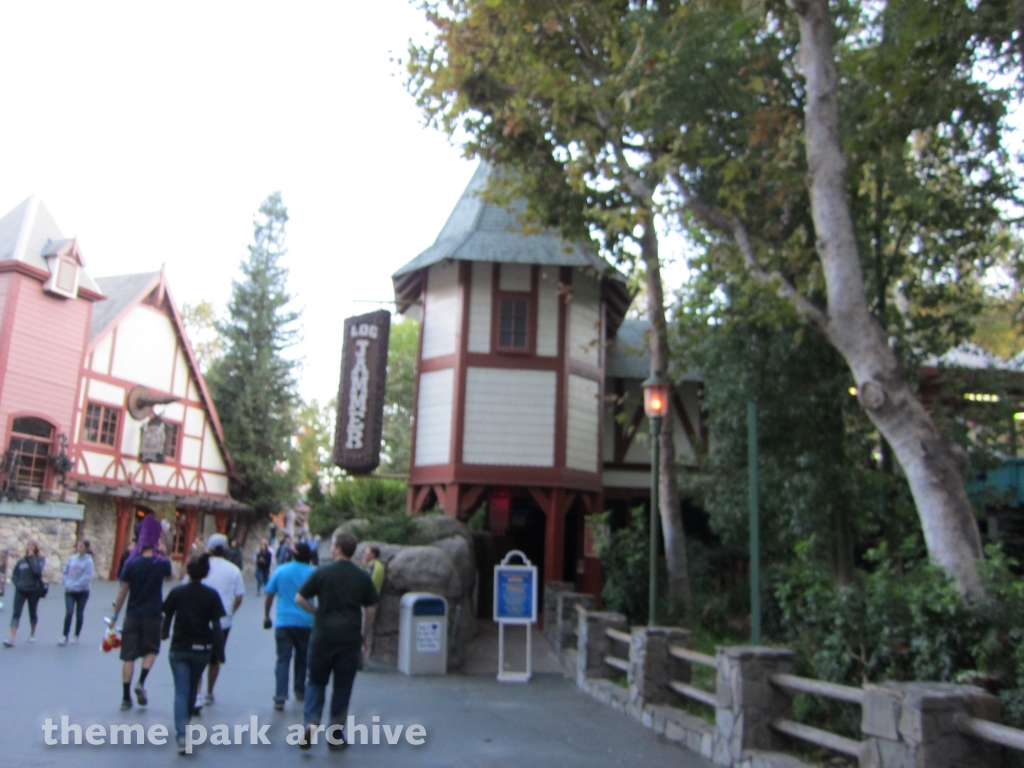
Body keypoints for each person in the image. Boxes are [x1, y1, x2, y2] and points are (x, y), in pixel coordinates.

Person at [295, 532, 378, 750]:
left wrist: (316, 611)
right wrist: (365, 634)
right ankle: (336, 735)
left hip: (322, 635)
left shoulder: (322, 572)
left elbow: (300, 597)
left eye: (333, 545)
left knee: (315, 681)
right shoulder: (362, 576)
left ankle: (312, 720)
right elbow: (371, 608)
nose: (331, 548)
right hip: (349, 638)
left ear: (338, 549)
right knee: (343, 687)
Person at [162, 553, 225, 755]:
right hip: (202, 648)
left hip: (180, 646)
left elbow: (168, 614)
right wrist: (219, 651)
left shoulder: (178, 592)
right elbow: (216, 625)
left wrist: (164, 633)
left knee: (181, 690)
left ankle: (182, 735)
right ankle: (186, 725)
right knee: (191, 689)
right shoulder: (211, 595)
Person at [110, 541, 173, 710]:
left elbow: (123, 590)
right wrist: (164, 554)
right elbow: (169, 577)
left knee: (128, 656)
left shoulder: (131, 564)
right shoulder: (161, 564)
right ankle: (141, 681)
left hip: (133, 614)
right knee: (151, 650)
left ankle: (125, 697)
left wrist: (115, 615)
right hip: (153, 614)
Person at [263, 542, 315, 711]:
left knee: (283, 659)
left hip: (284, 621)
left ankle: (280, 695)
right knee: (302, 658)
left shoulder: (281, 570)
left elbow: (270, 593)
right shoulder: (313, 573)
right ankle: (300, 689)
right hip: (306, 621)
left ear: (293, 554)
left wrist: (266, 615)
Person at [194, 533, 244, 706]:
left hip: (200, 618)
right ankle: (209, 691)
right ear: (226, 550)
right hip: (222, 620)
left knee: (198, 654)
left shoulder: (201, 566)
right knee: (214, 658)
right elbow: (239, 597)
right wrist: (230, 611)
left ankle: (197, 693)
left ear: (209, 549)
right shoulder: (233, 570)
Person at [4, 541, 45, 647]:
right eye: (28, 546)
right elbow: (14, 575)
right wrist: (18, 584)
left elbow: (37, 571)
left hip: (33, 591)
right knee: (16, 614)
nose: (30, 548)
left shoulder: (39, 560)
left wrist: (31, 557)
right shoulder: (21, 561)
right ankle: (11, 638)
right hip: (21, 590)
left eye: (32, 546)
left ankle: (32, 633)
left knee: (32, 613)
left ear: (36, 548)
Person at [59, 540, 94, 645]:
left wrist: (75, 586)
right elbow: (65, 572)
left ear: (86, 548)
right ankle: (65, 635)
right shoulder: (72, 558)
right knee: (69, 612)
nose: (79, 547)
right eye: (78, 545)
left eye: (81, 546)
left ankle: (76, 635)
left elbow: (87, 578)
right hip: (69, 590)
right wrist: (67, 584)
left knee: (79, 613)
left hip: (82, 591)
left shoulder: (88, 561)